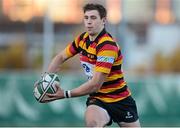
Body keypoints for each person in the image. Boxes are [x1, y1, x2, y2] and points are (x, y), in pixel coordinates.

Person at [42, 3, 141, 127]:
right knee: (93, 124)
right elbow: (61, 57)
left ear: (103, 20)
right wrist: (45, 79)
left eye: (93, 18)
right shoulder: (82, 39)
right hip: (98, 99)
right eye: (86, 18)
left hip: (121, 100)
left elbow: (95, 85)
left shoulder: (107, 46)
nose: (89, 22)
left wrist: (65, 94)